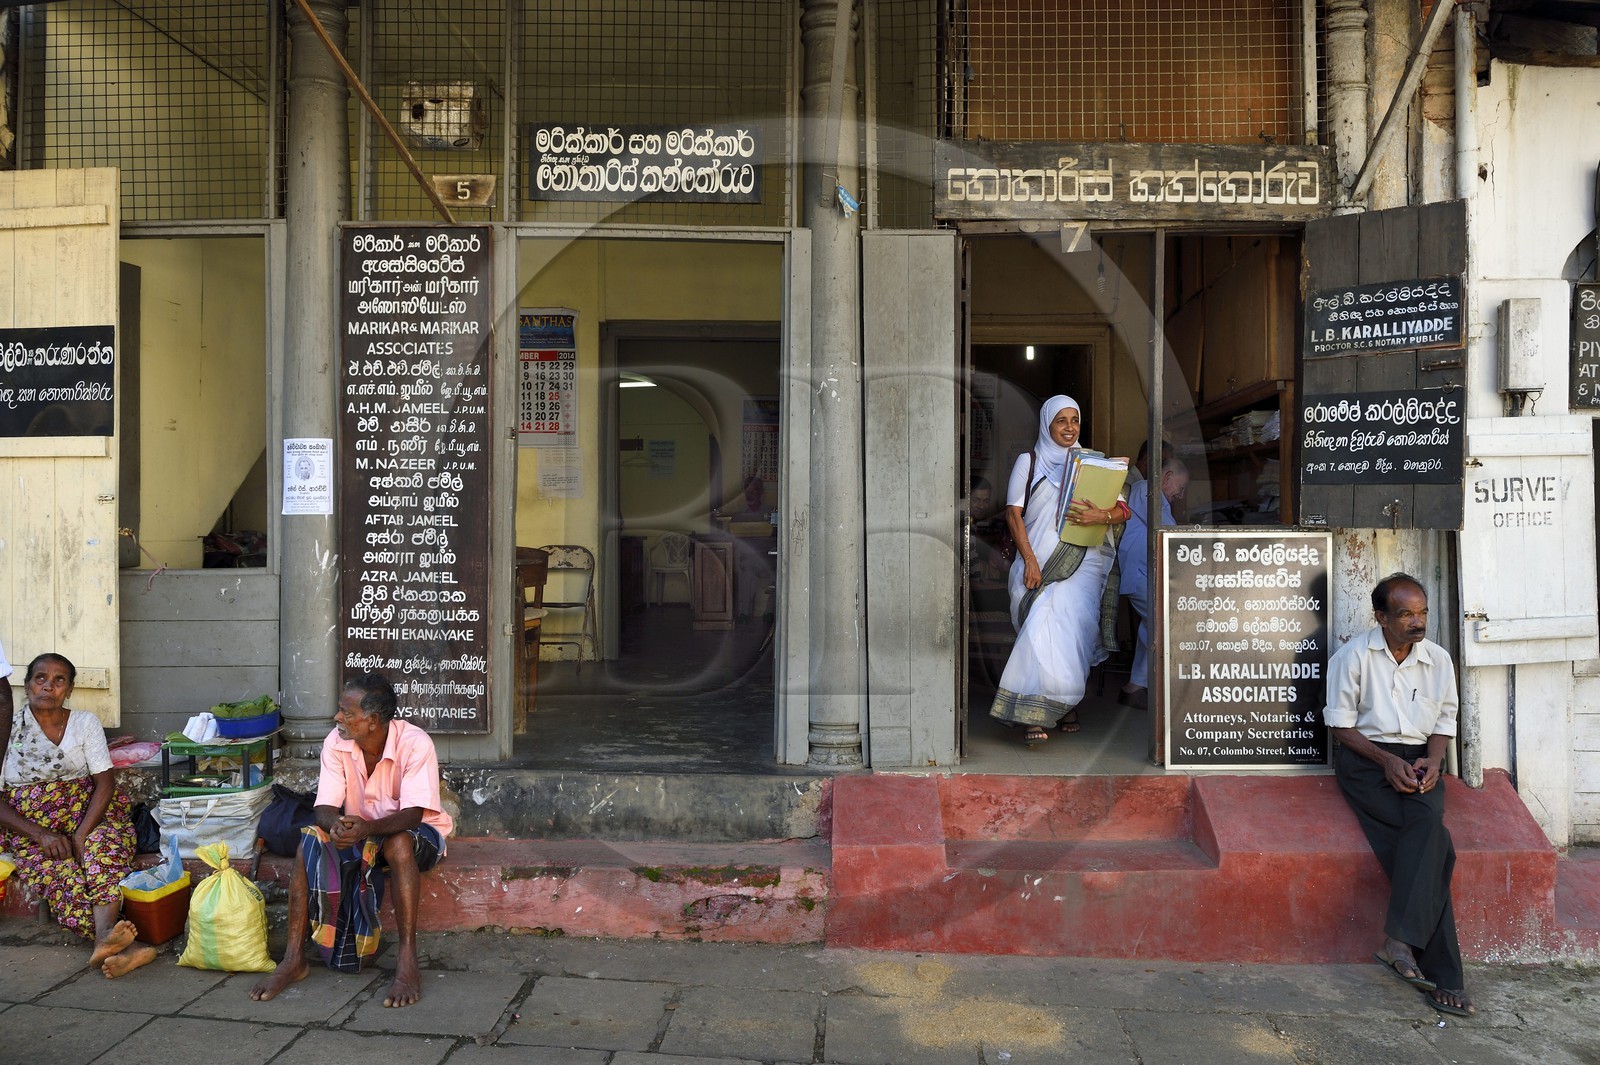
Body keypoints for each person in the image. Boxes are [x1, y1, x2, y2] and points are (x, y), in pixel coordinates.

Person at [250, 672, 453, 1008]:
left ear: (372, 721)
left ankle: (407, 961)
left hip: (417, 836)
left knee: (398, 841)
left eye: (346, 713)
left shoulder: (415, 743)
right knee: (309, 842)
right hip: (362, 834)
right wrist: (338, 827)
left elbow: (414, 816)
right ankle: (294, 958)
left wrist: (364, 829)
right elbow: (325, 809)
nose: (337, 718)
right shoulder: (337, 742)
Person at [1323, 574, 1474, 1018]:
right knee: (1434, 843)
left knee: (1426, 830)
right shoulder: (1352, 657)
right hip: (1367, 761)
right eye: (1406, 614)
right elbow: (1340, 726)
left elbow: (1445, 719)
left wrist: (1434, 759)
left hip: (1421, 759)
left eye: (1423, 612)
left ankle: (1400, 942)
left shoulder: (1439, 660)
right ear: (1381, 617)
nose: (1418, 622)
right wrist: (1385, 762)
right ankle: (1446, 977)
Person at [0, 653, 154, 977]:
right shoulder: (7, 730)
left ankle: (105, 941)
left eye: (59, 681)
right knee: (63, 874)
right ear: (26, 685)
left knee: (101, 853)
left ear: (69, 689)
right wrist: (41, 835)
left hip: (91, 814)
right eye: (40, 678)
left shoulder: (84, 723)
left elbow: (105, 783)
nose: (48, 687)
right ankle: (123, 946)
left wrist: (83, 834)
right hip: (32, 828)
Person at [989, 395, 1128, 745]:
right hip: (1037, 563)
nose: (1069, 428)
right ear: (1047, 425)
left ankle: (1063, 705)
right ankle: (1033, 709)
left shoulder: (1094, 463)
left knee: (1074, 636)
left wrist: (1103, 515)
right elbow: (1012, 513)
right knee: (1039, 631)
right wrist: (1032, 561)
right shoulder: (1029, 461)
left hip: (1083, 565)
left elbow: (1122, 510)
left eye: (1075, 420)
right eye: (1061, 421)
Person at [1116, 456, 1188, 709]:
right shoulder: (1147, 491)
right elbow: (1168, 533)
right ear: (1167, 478)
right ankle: (1160, 689)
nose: (1180, 495)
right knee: (1167, 622)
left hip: (1143, 574)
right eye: (1180, 488)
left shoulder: (1151, 494)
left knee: (1156, 623)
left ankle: (1135, 686)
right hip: (1138, 574)